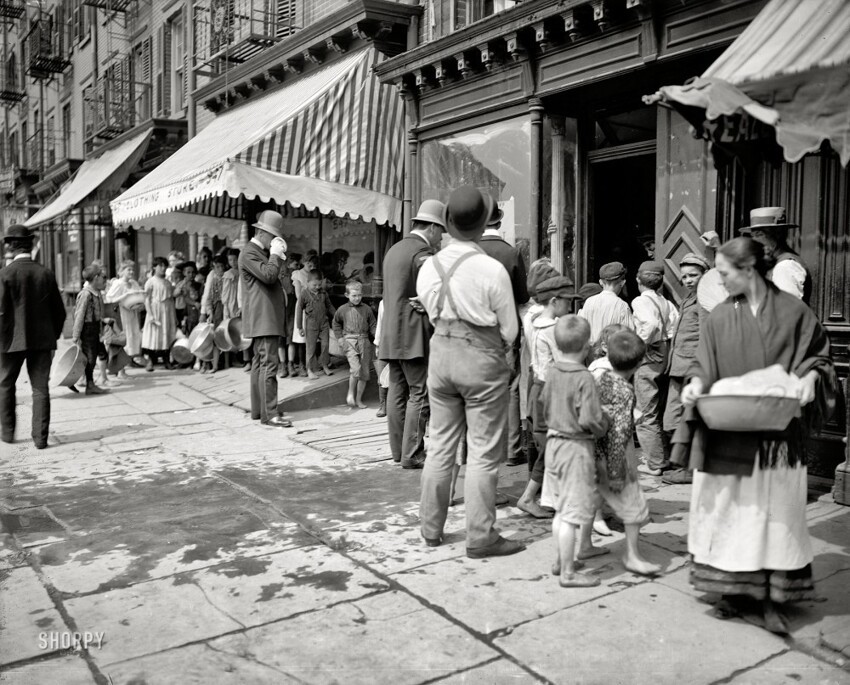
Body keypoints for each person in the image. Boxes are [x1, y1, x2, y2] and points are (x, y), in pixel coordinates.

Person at [678, 237, 835, 634]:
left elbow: (818, 356)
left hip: (776, 438)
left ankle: (770, 597)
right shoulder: (718, 317)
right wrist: (695, 384)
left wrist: (812, 379)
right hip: (727, 432)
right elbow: (703, 363)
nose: (719, 279)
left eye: (724, 272)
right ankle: (733, 590)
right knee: (730, 516)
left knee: (773, 517)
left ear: (748, 271)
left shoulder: (794, 312)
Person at [417, 186, 523, 559]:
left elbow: (430, 314)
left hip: (441, 357)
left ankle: (431, 529)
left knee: (441, 446)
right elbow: (509, 329)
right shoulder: (492, 269)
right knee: (482, 452)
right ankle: (480, 536)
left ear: (447, 223)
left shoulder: (429, 265)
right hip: (481, 362)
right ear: (482, 225)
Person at [544, 315, 609, 587]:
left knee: (562, 508)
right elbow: (590, 419)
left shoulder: (552, 371)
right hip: (575, 447)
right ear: (587, 347)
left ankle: (562, 560)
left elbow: (543, 405)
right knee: (572, 513)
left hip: (554, 444)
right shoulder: (584, 377)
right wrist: (604, 423)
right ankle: (569, 573)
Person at [380, 199, 445, 469]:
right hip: (413, 334)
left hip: (391, 332)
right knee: (419, 393)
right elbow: (433, 291)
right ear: (430, 227)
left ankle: (399, 452)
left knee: (397, 389)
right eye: (440, 231)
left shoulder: (394, 249)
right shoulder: (422, 253)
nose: (440, 237)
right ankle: (413, 453)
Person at [593, 329, 661, 576]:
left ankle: (583, 546)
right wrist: (617, 471)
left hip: (592, 454)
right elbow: (620, 434)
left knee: (590, 501)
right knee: (635, 507)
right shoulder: (625, 392)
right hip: (612, 459)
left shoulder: (599, 379)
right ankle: (632, 555)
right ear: (639, 363)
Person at [0, 225, 66, 449]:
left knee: (5, 385)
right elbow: (60, 311)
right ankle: (40, 438)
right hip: (42, 341)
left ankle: (7, 433)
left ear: (11, 246)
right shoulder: (45, 273)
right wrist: (52, 338)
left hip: (9, 342)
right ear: (31, 244)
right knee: (40, 388)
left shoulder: (4, 274)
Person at [516, 276, 575, 519]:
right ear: (554, 301)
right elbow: (564, 363)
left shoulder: (533, 320)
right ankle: (530, 497)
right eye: (568, 302)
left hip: (536, 387)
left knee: (544, 444)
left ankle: (545, 496)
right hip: (551, 391)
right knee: (552, 446)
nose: (570, 307)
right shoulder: (553, 328)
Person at [480, 203, 530, 467]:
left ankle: (480, 447)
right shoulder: (511, 253)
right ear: (499, 224)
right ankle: (512, 449)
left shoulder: (472, 252)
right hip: (505, 330)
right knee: (510, 388)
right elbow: (523, 296)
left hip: (475, 331)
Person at [239, 210, 292, 428]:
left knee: (260, 364)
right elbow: (269, 276)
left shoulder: (253, 251)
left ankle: (260, 410)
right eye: (273, 236)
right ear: (262, 233)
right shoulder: (251, 252)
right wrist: (275, 255)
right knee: (269, 365)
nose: (274, 241)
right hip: (264, 318)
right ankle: (269, 414)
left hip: (264, 318)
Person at [661, 252, 709, 485]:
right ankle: (683, 465)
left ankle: (689, 470)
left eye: (694, 275)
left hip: (691, 368)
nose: (688, 280)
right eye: (685, 276)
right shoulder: (690, 298)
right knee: (672, 420)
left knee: (683, 419)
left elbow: (707, 334)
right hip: (679, 367)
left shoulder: (704, 300)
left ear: (705, 275)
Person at [631, 261, 678, 476]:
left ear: (638, 280)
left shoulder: (640, 301)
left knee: (644, 412)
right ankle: (662, 455)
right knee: (657, 410)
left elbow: (650, 325)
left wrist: (638, 345)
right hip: (665, 359)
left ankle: (655, 463)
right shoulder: (667, 303)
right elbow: (674, 328)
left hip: (649, 360)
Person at [741, 207, 812, 303]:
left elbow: (786, 310)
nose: (754, 241)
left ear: (778, 233)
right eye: (753, 236)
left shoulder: (785, 266)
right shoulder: (773, 263)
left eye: (759, 235)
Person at [333, 280, 377, 408]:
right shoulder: (342, 310)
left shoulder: (367, 309)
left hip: (364, 341)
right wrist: (340, 339)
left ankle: (358, 399)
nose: (357, 298)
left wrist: (376, 337)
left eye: (359, 295)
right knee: (355, 369)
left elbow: (373, 324)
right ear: (347, 295)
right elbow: (336, 323)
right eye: (354, 295)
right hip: (350, 341)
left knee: (364, 373)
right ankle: (350, 394)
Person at [72, 265, 108, 395]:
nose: (103, 279)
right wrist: (75, 336)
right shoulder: (86, 294)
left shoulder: (96, 293)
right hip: (87, 330)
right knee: (90, 358)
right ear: (96, 278)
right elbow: (79, 315)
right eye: (102, 277)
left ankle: (89, 383)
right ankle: (89, 384)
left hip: (94, 329)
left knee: (98, 354)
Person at [578, 262, 634, 344]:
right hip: (611, 352)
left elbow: (581, 329)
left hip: (590, 352)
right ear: (622, 283)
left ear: (600, 282)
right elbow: (629, 335)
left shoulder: (589, 301)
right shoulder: (622, 305)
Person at [296, 270, 335, 379]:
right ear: (307, 282)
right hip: (311, 324)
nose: (317, 287)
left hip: (324, 323)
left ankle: (324, 365)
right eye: (314, 285)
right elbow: (299, 310)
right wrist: (299, 327)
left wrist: (337, 316)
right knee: (311, 348)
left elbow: (329, 306)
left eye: (319, 284)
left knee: (325, 345)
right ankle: (310, 370)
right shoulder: (304, 294)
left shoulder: (323, 293)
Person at [141, 257, 178, 371]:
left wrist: (174, 316)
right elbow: (146, 299)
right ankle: (151, 361)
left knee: (166, 334)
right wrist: (150, 314)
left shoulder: (167, 283)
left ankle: (167, 360)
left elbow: (171, 299)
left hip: (167, 311)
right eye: (160, 266)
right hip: (155, 310)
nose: (163, 268)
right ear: (154, 267)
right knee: (154, 335)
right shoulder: (151, 282)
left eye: (164, 266)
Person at [104, 260, 144, 363]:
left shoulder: (134, 283)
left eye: (132, 270)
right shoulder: (118, 283)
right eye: (128, 269)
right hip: (121, 313)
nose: (131, 272)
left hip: (132, 312)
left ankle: (129, 359)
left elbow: (138, 296)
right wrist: (125, 296)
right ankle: (120, 362)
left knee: (133, 334)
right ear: (121, 271)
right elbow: (109, 299)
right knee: (124, 335)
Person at [200, 254, 226, 373]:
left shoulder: (227, 278)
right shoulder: (213, 279)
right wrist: (208, 312)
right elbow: (209, 298)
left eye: (221, 266)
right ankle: (210, 364)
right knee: (213, 337)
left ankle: (220, 363)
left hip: (226, 309)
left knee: (223, 337)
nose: (219, 269)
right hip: (216, 311)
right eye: (217, 267)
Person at [174, 261, 202, 336]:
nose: (191, 275)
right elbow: (176, 294)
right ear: (184, 273)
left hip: (193, 313)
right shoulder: (180, 284)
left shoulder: (198, 285)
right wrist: (184, 283)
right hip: (182, 312)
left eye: (193, 272)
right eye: (188, 272)